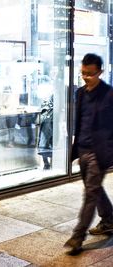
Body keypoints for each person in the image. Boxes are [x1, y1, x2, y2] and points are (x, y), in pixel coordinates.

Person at [64, 53, 113, 254]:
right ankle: (109, 219)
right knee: (94, 188)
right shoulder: (80, 93)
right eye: (83, 73)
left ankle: (78, 236)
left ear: (100, 72)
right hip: (82, 149)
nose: (86, 77)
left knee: (90, 194)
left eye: (90, 74)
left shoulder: (110, 94)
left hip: (99, 152)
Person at [37, 95, 53, 170]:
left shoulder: (48, 112)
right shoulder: (48, 112)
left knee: (46, 147)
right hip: (46, 131)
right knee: (46, 147)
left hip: (47, 131)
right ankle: (47, 164)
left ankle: (47, 164)